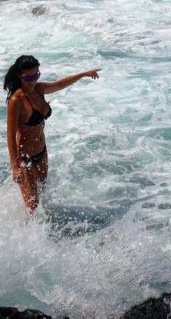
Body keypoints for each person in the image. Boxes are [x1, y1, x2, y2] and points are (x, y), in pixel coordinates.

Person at [4, 55, 100, 214]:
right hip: (25, 158)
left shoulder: (39, 89)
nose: (33, 80)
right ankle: (24, 235)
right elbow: (10, 135)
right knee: (33, 208)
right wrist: (15, 166)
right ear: (19, 76)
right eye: (29, 77)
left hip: (42, 152)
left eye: (36, 75)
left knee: (42, 197)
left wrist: (83, 74)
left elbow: (60, 84)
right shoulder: (17, 100)